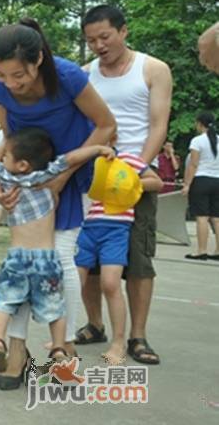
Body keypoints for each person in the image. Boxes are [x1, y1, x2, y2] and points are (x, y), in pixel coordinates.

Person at [0, 18, 116, 389]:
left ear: (38, 59)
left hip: (68, 176)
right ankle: (16, 351)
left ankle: (64, 348)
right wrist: (3, 183)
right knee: (24, 264)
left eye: (18, 76)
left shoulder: (68, 76)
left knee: (61, 259)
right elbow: (9, 137)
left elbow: (106, 125)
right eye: (2, 74)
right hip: (25, 182)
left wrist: (59, 179)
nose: (10, 84)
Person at [78, 5, 172, 366]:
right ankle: (95, 324)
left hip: (135, 177)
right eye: (91, 40)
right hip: (97, 176)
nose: (99, 45)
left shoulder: (153, 69)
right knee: (86, 257)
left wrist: (136, 170)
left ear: (124, 31)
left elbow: (158, 124)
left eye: (105, 36)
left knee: (137, 259)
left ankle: (137, 336)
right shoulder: (85, 75)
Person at [0, 128, 115, 378]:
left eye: (8, 156)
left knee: (4, 303)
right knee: (55, 308)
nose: (3, 159)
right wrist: (99, 149)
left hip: (17, 258)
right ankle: (58, 348)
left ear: (21, 164)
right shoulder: (45, 179)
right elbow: (71, 159)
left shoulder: (5, 179)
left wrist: (4, 139)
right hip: (47, 259)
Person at [76, 146, 162, 365]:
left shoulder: (126, 160)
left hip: (116, 229)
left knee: (110, 284)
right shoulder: (81, 161)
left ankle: (119, 342)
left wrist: (126, 184)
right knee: (74, 282)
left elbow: (157, 182)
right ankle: (63, 338)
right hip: (84, 229)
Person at [182, 112, 219, 260]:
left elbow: (193, 164)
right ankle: (217, 251)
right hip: (218, 180)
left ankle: (201, 250)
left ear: (199, 123)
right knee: (217, 218)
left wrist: (187, 184)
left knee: (202, 217)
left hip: (201, 180)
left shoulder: (197, 141)